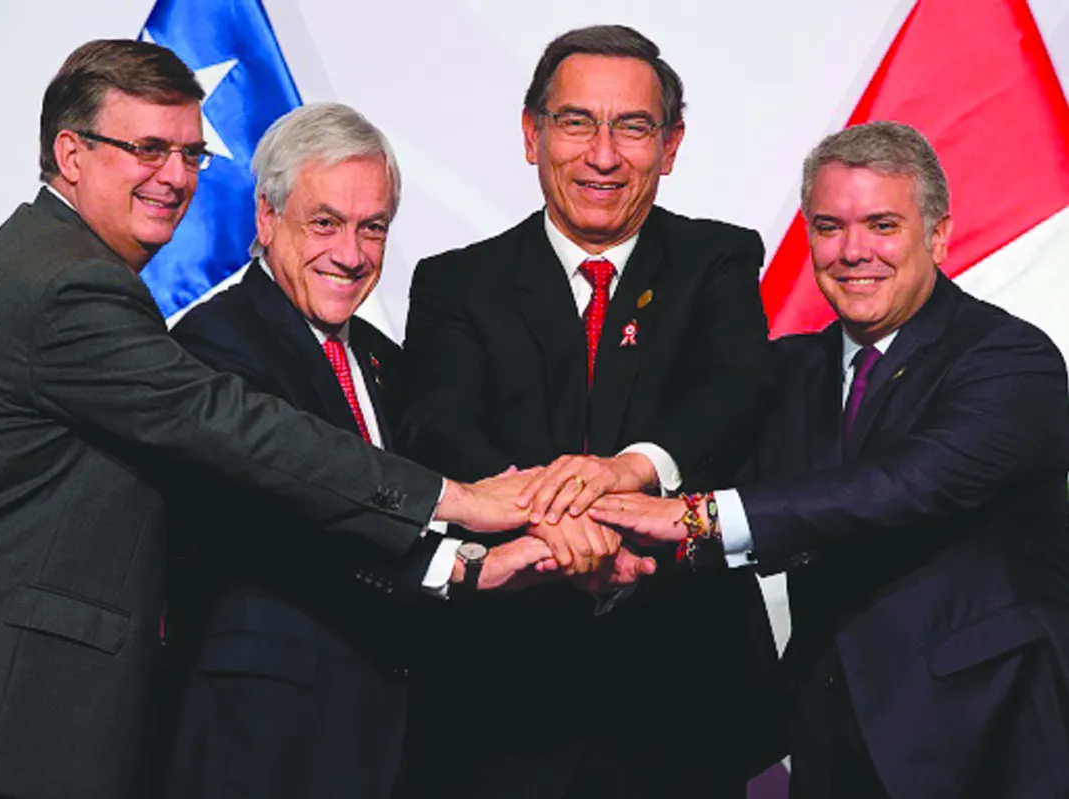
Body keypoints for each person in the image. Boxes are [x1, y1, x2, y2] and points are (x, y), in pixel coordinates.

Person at [0, 40, 609, 799]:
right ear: (71, 153)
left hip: (54, 720)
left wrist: (568, 524)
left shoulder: (375, 356)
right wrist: (463, 512)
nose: (176, 176)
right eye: (148, 149)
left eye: (191, 154)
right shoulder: (72, 287)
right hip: (21, 721)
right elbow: (240, 437)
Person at [161, 103, 648, 799]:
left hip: (397, 741)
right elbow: (287, 519)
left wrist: (559, 549)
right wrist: (465, 566)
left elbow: (433, 507)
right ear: (266, 218)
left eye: (373, 227)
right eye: (324, 222)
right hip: (266, 739)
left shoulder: (385, 360)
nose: (351, 253)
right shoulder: (213, 347)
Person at [591, 120, 1069, 799]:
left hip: (985, 737)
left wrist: (694, 519)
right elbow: (710, 475)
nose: (852, 252)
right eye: (829, 227)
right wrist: (597, 535)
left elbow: (899, 487)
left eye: (882, 225)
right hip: (828, 741)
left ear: (937, 236)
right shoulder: (787, 370)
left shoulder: (1010, 360)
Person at [400, 24, 778, 799]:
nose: (602, 155)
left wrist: (628, 471)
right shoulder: (455, 282)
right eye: (576, 122)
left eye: (632, 127)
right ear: (531, 134)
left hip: (681, 701)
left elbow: (734, 395)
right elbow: (437, 424)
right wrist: (555, 522)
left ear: (670, 145)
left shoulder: (720, 260)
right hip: (496, 706)